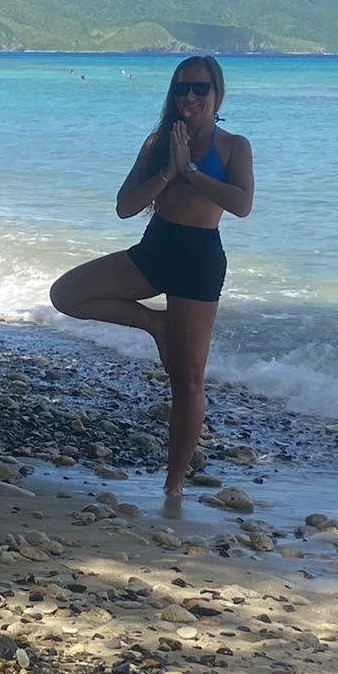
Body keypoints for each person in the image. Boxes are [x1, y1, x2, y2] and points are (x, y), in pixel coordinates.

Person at [50, 55, 253, 504]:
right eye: (182, 87)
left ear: (217, 93)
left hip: (200, 259)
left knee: (187, 379)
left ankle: (174, 484)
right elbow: (125, 206)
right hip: (155, 248)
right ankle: (154, 324)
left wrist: (193, 171)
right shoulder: (157, 142)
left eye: (200, 88)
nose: (190, 96)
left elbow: (241, 205)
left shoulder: (233, 146)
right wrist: (170, 168)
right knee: (66, 294)